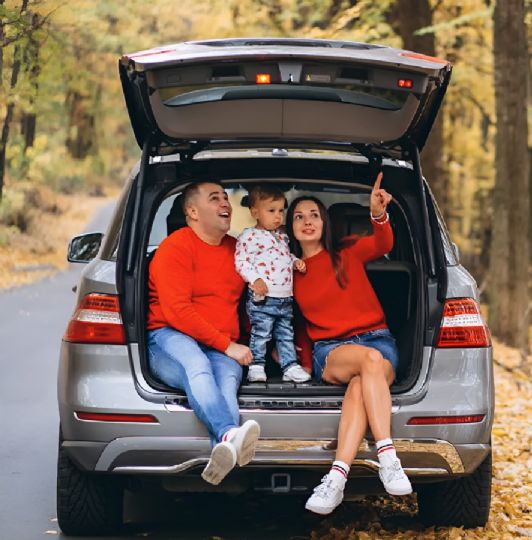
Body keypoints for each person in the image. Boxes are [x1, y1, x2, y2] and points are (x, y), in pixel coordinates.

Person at [289, 172, 412, 515]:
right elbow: (289, 323)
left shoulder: (346, 252)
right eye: (299, 216)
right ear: (292, 227)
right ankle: (388, 457)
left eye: (313, 214)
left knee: (362, 380)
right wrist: (294, 362)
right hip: (331, 351)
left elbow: (383, 243)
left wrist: (377, 214)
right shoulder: (289, 272)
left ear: (324, 221)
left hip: (378, 342)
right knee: (366, 362)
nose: (307, 221)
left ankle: (336, 478)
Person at [146, 181, 260, 485]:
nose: (226, 203)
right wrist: (228, 346)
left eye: (226, 198)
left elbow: (251, 303)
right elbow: (177, 312)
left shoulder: (237, 251)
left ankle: (222, 452)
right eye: (215, 198)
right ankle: (227, 432)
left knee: (225, 385)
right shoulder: (175, 248)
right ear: (192, 211)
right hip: (169, 336)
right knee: (197, 366)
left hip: (220, 343)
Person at [234, 184, 310, 383]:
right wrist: (255, 279)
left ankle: (290, 366)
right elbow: (241, 262)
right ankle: (257, 365)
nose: (278, 216)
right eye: (271, 211)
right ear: (255, 212)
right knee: (261, 334)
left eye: (281, 210)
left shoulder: (281, 236)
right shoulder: (249, 236)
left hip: (285, 298)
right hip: (263, 298)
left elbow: (283, 257)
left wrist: (295, 262)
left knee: (285, 334)